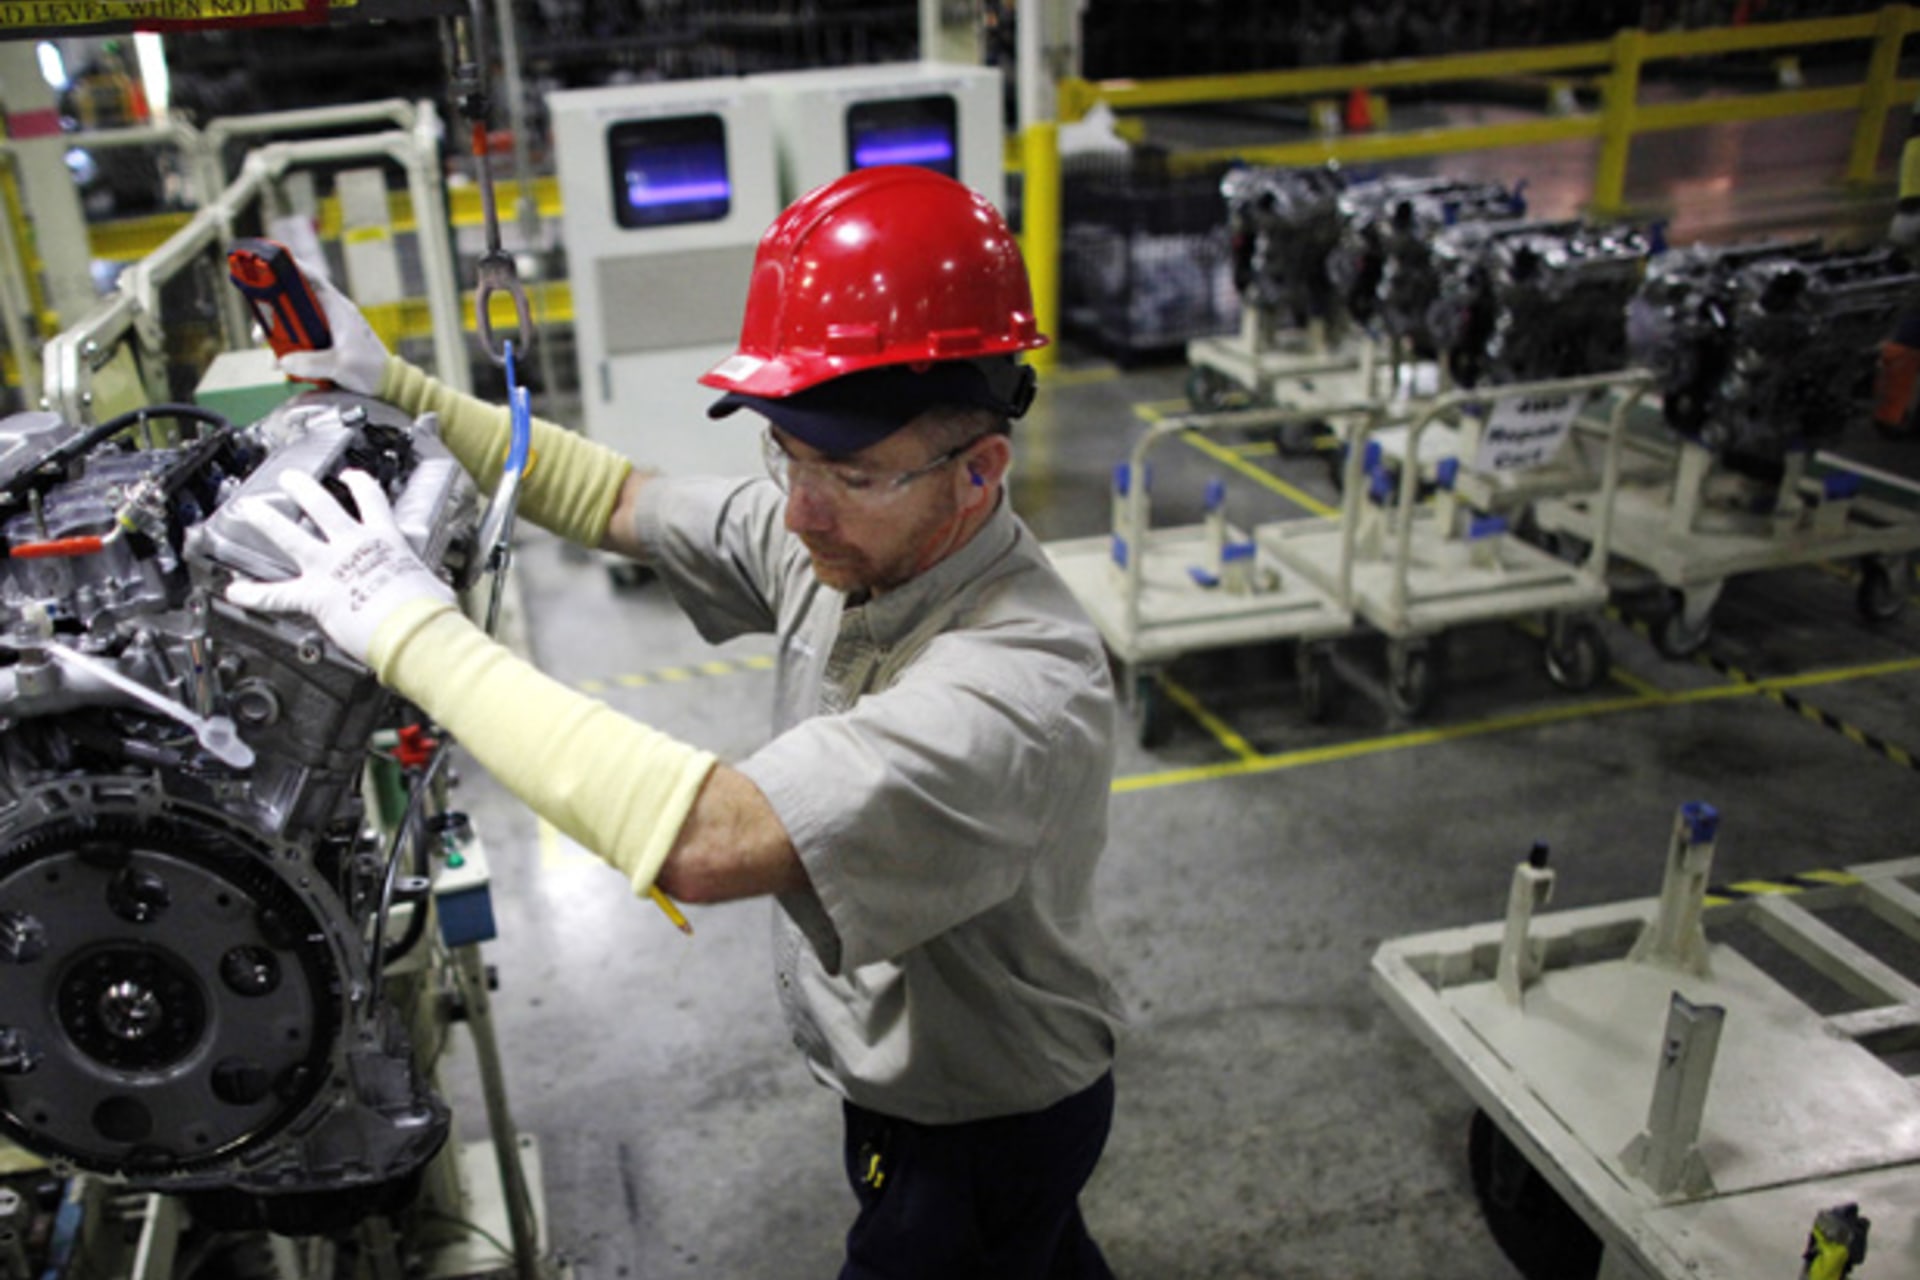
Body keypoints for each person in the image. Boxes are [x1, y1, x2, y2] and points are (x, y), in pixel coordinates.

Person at [228, 165, 1126, 1279]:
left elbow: (707, 837)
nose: (798, 511)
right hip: (935, 1081)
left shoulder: (1019, 685)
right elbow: (621, 498)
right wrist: (396, 385)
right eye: (784, 456)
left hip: (982, 1115)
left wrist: (410, 628)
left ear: (979, 471)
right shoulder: (852, 538)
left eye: (845, 470)